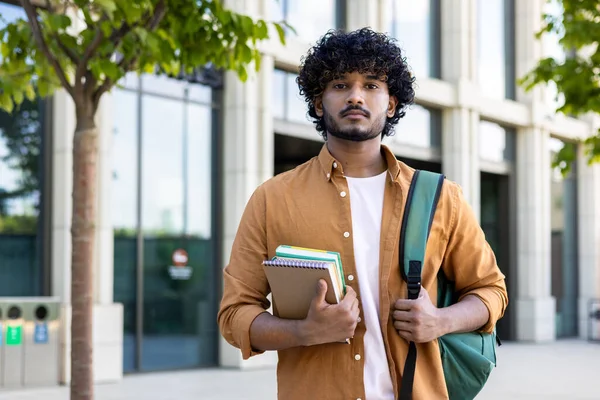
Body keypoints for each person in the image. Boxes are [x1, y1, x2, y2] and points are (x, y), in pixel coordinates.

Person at [217, 27, 508, 400]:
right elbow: (234, 314)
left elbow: (491, 291)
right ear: (319, 102)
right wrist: (305, 331)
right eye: (340, 84)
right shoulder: (272, 199)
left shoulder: (441, 198)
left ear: (390, 103)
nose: (356, 95)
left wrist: (439, 320)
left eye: (371, 85)